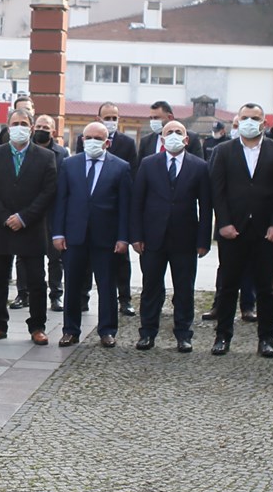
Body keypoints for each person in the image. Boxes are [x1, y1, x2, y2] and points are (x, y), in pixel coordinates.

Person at [207, 102, 273, 359]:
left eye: (255, 118)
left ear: (264, 123)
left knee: (265, 288)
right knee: (228, 286)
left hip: (265, 231)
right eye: (245, 117)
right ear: (238, 121)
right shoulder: (223, 151)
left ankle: (266, 338)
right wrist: (223, 223)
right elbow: (217, 192)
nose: (250, 122)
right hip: (233, 230)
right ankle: (223, 336)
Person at [131, 116, 213, 352]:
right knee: (151, 288)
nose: (174, 135)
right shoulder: (148, 163)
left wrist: (203, 241)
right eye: (170, 132)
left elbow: (206, 207)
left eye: (179, 132)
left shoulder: (199, 166)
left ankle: (184, 334)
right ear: (163, 138)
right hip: (153, 237)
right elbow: (137, 201)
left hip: (185, 238)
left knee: (185, 289)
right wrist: (136, 236)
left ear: (186, 139)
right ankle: (147, 333)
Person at [0, 108, 57, 345]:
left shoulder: (45, 157)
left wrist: (24, 217)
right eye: (15, 123)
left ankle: (37, 326)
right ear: (8, 126)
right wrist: (5, 216)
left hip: (30, 226)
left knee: (35, 280)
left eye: (24, 123)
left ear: (31, 128)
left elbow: (48, 191)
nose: (19, 127)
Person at [52, 121, 134, 347]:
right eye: (88, 138)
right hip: (74, 235)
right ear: (82, 140)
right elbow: (61, 201)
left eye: (98, 138)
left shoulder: (120, 167)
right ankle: (70, 330)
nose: (92, 142)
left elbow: (125, 206)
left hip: (106, 237)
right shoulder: (69, 165)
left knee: (107, 284)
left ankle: (107, 330)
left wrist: (123, 237)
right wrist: (58, 233)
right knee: (73, 284)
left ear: (107, 142)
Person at [97, 102, 135, 318]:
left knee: (122, 258)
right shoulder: (88, 139)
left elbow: (133, 175)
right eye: (107, 117)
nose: (111, 121)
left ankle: (125, 299)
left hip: (118, 206)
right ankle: (84, 297)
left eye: (114, 117)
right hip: (96, 207)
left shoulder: (128, 143)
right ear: (99, 117)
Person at [31, 114, 70, 312]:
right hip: (29, 211)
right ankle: (24, 293)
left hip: (53, 211)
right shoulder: (25, 149)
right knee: (26, 255)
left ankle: (56, 294)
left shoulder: (62, 154)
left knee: (56, 257)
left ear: (53, 131)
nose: (42, 129)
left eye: (46, 127)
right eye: (38, 126)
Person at [136, 101, 203, 160]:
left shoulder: (191, 139)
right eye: (151, 118)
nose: (153, 121)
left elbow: (198, 167)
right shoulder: (146, 141)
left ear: (170, 117)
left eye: (156, 118)